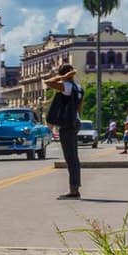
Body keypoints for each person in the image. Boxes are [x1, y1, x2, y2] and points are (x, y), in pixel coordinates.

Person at [44, 65, 84, 199]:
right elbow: (79, 108)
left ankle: (74, 190)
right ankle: (75, 188)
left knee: (70, 158)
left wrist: (62, 78)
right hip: (75, 122)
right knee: (74, 157)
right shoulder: (79, 87)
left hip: (67, 124)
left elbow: (48, 83)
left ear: (64, 74)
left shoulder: (66, 87)